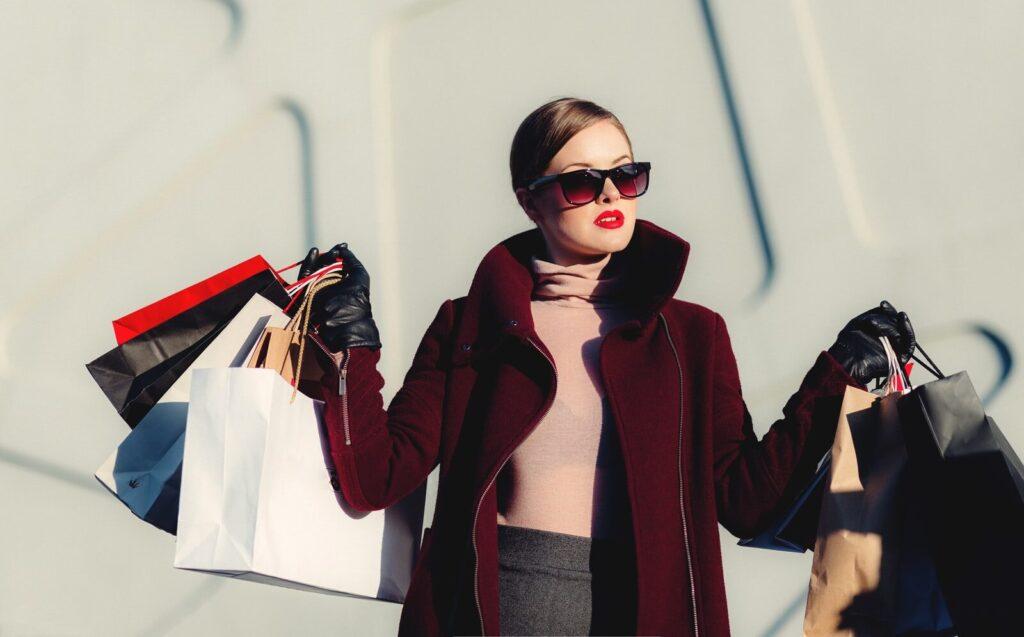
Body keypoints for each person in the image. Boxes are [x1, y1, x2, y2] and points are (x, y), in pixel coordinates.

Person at [295, 97, 916, 637]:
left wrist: (837, 375)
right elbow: (376, 476)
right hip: (501, 611)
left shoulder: (692, 335)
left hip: (649, 612)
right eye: (582, 182)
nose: (613, 195)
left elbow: (746, 501)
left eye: (627, 173)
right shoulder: (471, 326)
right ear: (529, 200)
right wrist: (352, 341)